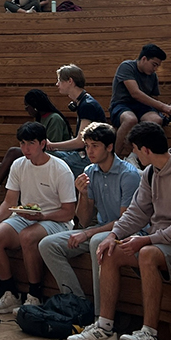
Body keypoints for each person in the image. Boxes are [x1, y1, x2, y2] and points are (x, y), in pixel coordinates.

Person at [67, 122, 171, 340]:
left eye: (136, 150)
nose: (135, 155)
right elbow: (136, 213)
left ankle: (149, 335)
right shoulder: (150, 173)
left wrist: (145, 240)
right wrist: (113, 235)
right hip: (164, 241)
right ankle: (105, 328)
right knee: (108, 249)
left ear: (145, 150)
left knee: (148, 254)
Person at [39, 123, 140, 317]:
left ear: (109, 147)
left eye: (95, 145)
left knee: (95, 241)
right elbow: (84, 220)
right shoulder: (90, 171)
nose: (89, 150)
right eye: (87, 146)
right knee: (47, 245)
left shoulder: (129, 175)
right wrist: (83, 194)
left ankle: (100, 316)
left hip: (125, 232)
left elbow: (124, 220)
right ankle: (76, 304)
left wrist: (87, 233)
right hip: (98, 228)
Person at [0, 122, 77, 314]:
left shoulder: (60, 169)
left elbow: (68, 212)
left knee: (27, 236)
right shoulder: (18, 164)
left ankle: (35, 295)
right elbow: (9, 201)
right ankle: (10, 293)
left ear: (43, 143)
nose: (25, 149)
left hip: (56, 220)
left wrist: (42, 215)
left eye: (31, 143)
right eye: (22, 143)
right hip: (26, 216)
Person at [0, 89, 72, 206]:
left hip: (57, 156)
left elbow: (53, 145)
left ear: (34, 106)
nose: (26, 110)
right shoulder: (41, 119)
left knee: (13, 152)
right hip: (41, 153)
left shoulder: (54, 119)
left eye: (27, 107)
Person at [109, 43, 171, 157]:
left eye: (157, 66)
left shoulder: (153, 76)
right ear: (144, 59)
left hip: (142, 107)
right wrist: (164, 107)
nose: (155, 69)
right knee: (130, 120)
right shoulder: (127, 66)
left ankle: (136, 157)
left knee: (156, 120)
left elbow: (154, 99)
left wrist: (169, 108)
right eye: (154, 64)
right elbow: (135, 93)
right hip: (122, 105)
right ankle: (113, 157)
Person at [45, 63, 107, 178]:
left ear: (70, 81)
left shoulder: (87, 105)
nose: (57, 84)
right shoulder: (83, 102)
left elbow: (80, 141)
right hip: (85, 154)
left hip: (88, 158)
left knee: (42, 156)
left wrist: (52, 145)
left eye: (59, 80)